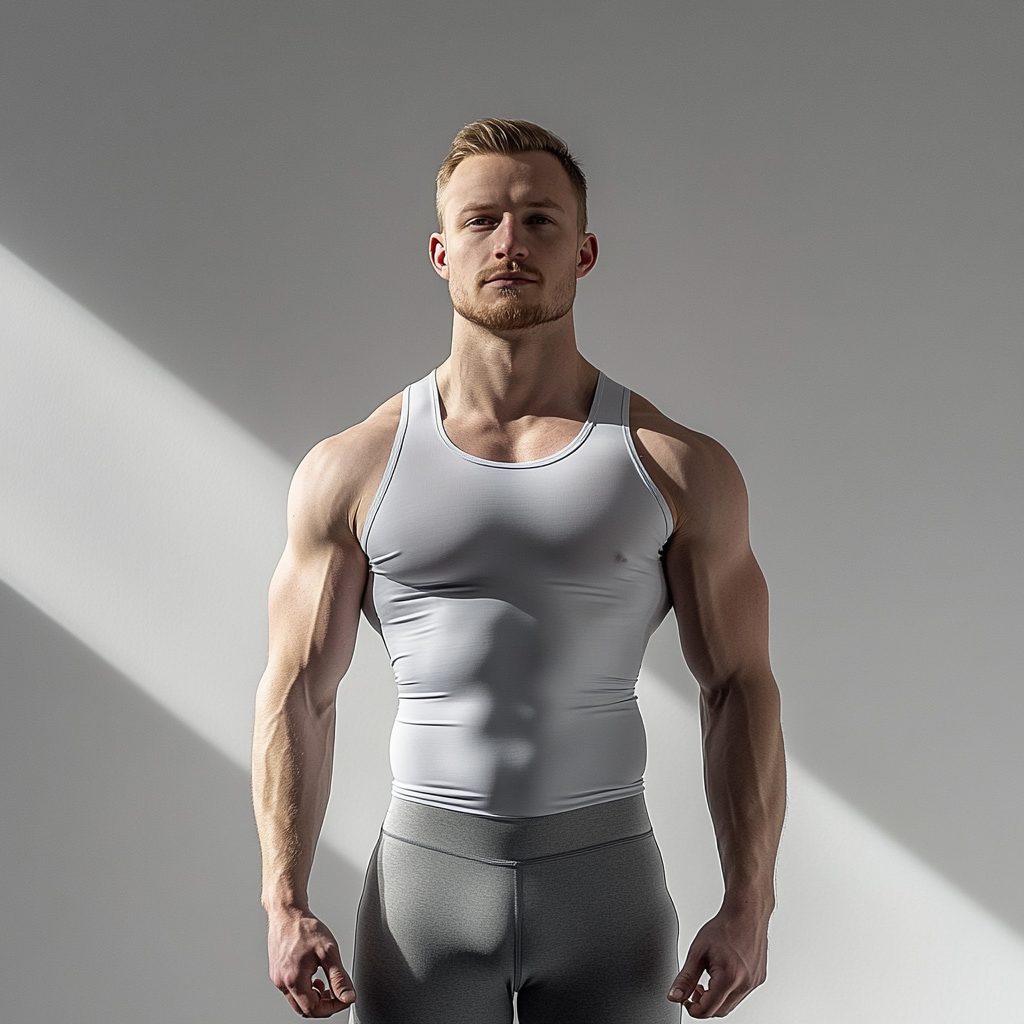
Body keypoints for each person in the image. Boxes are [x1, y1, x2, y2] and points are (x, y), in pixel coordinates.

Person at [252, 118, 786, 1023]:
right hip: (426, 888)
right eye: (482, 220)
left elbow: (739, 686)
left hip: (606, 892)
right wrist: (283, 901)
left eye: (539, 220)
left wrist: (750, 905)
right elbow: (300, 689)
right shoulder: (354, 468)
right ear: (439, 251)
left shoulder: (673, 465)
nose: (510, 243)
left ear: (582, 251)